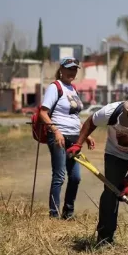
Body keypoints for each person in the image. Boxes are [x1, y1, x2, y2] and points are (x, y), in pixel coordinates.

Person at [67, 96, 128, 246]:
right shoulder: (110, 111)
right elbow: (90, 122)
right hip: (116, 154)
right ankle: (105, 239)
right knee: (110, 193)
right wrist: (78, 144)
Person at [39, 57, 94, 219]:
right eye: (69, 68)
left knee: (76, 177)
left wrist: (87, 135)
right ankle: (54, 214)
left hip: (74, 138)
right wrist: (55, 131)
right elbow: (43, 113)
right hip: (58, 136)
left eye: (75, 69)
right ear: (61, 70)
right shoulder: (55, 87)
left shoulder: (73, 89)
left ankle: (68, 213)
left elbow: (75, 117)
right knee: (59, 175)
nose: (72, 72)